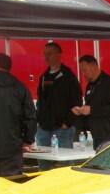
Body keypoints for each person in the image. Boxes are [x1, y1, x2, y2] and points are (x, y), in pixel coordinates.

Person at [35, 41, 82, 169]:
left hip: (63, 129)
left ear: (58, 55)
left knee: (65, 165)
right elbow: (40, 100)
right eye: (45, 54)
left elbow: (77, 102)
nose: (46, 57)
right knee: (43, 163)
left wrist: (67, 123)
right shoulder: (43, 77)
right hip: (44, 128)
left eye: (49, 54)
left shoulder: (68, 77)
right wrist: (39, 120)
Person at [73, 55, 110, 150]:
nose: (83, 74)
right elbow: (90, 110)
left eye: (85, 70)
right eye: (82, 71)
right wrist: (81, 112)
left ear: (94, 66)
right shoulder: (89, 86)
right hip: (97, 135)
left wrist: (91, 110)